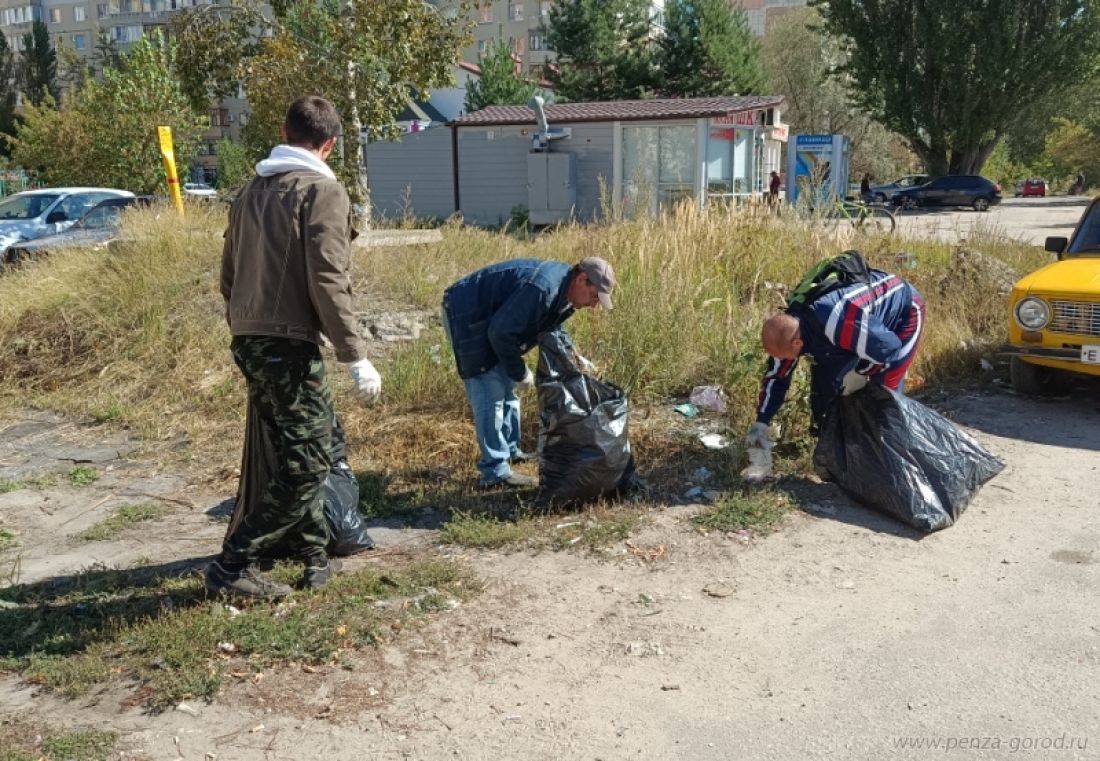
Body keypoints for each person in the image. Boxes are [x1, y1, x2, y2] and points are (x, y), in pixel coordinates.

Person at [207, 95, 381, 600]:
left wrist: (249, 325)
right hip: (286, 347)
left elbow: (228, 275)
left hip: (250, 338)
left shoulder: (248, 192)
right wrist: (356, 355)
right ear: (328, 144)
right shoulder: (321, 191)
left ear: (284, 131)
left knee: (293, 452)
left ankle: (312, 556)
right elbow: (329, 278)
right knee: (309, 462)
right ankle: (231, 564)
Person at [442, 257, 615, 488]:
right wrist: (520, 371)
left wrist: (574, 356)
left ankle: (511, 451)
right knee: (491, 392)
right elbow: (500, 334)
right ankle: (494, 473)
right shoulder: (543, 288)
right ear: (582, 279)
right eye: (595, 296)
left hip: (493, 320)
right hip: (467, 314)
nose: (594, 305)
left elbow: (551, 324)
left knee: (509, 391)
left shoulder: (563, 288)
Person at [746, 261, 925, 466]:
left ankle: (891, 461)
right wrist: (761, 422)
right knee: (825, 389)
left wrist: (860, 372)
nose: (783, 360)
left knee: (883, 395)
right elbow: (777, 377)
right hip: (854, 332)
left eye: (785, 356)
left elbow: (889, 349)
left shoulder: (836, 320)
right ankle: (840, 459)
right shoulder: (790, 330)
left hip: (902, 314)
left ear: (797, 343)